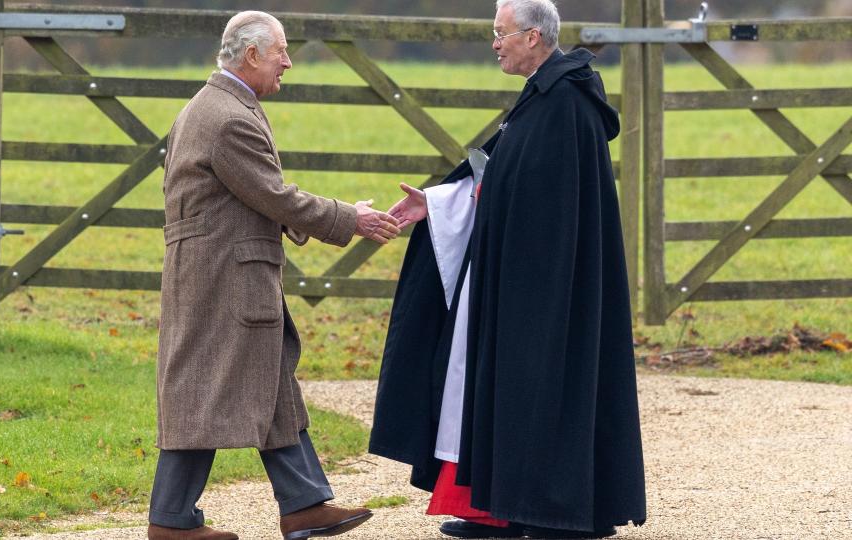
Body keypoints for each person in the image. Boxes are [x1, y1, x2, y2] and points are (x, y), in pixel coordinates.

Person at [370, 0, 647, 538]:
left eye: (501, 34)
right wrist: (439, 201)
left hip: (550, 287)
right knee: (507, 386)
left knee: (542, 385)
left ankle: (557, 514)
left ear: (533, 38)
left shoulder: (567, 103)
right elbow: (501, 176)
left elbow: (553, 203)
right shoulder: (541, 98)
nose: (494, 43)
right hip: (521, 279)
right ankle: (502, 506)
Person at [149, 11, 400, 540]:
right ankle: (170, 522)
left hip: (216, 274)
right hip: (226, 280)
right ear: (252, 55)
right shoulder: (228, 117)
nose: (288, 61)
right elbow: (272, 194)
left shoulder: (209, 106)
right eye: (281, 51)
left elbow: (240, 197)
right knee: (204, 392)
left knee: (267, 379)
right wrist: (348, 218)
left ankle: (304, 504)